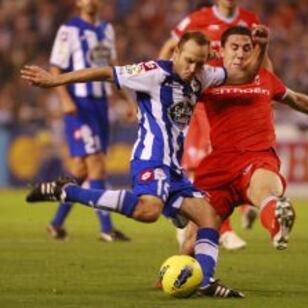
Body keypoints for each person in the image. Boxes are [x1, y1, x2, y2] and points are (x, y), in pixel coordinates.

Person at [22, 28, 269, 298]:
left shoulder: (203, 75)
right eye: (188, 60)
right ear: (176, 52)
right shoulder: (153, 73)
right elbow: (106, 72)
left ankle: (206, 280)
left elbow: (244, 74)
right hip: (150, 160)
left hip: (174, 170)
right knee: (148, 211)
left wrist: (261, 46)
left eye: (200, 62)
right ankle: (66, 191)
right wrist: (55, 81)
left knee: (209, 216)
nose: (193, 68)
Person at [179, 26, 308, 255]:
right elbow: (177, 84)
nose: (240, 53)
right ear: (222, 50)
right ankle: (184, 278)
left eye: (247, 48)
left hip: (257, 156)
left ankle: (278, 222)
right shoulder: (208, 76)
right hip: (220, 163)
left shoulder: (264, 77)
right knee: (192, 240)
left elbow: (297, 100)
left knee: (266, 191)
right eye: (235, 47)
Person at [159, 0, 266, 251]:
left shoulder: (250, 20)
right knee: (207, 162)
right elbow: (169, 48)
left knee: (234, 156)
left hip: (236, 100)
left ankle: (228, 215)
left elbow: (262, 60)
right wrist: (165, 84)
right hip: (206, 100)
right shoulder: (198, 19)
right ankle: (218, 227)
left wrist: (264, 93)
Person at [46, 0, 129, 242]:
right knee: (97, 163)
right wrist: (64, 100)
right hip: (79, 106)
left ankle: (56, 224)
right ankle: (106, 228)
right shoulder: (68, 30)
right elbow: (54, 69)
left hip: (101, 106)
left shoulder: (107, 30)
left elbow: (112, 69)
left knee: (81, 170)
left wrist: (128, 100)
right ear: (78, 2)